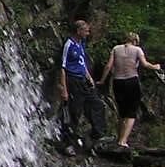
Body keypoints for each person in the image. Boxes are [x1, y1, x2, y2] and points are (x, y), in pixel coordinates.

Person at [98, 30, 160, 151]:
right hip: (131, 81)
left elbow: (108, 66)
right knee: (132, 112)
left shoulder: (116, 49)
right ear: (135, 40)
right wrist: (155, 67)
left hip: (118, 82)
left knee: (122, 111)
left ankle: (119, 138)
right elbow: (145, 64)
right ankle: (123, 141)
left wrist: (102, 81)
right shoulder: (137, 50)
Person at [58, 19, 106, 149]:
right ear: (78, 31)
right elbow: (62, 67)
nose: (88, 33)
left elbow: (82, 61)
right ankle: (68, 143)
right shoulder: (69, 45)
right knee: (74, 111)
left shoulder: (82, 43)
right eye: (86, 31)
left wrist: (88, 76)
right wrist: (64, 88)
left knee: (97, 104)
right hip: (73, 80)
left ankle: (96, 135)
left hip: (83, 80)